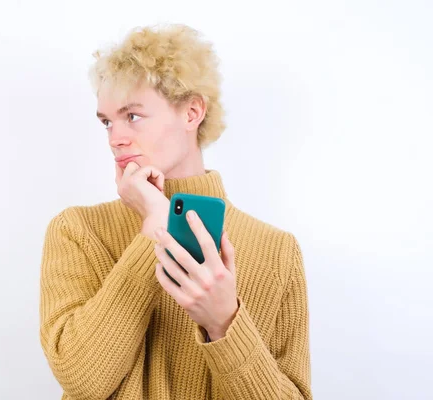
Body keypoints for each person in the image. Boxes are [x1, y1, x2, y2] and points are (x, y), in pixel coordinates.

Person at [39, 23, 312, 400]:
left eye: (132, 115)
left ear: (192, 112)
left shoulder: (277, 251)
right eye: (106, 121)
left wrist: (225, 323)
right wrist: (155, 229)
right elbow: (82, 380)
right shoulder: (78, 231)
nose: (115, 138)